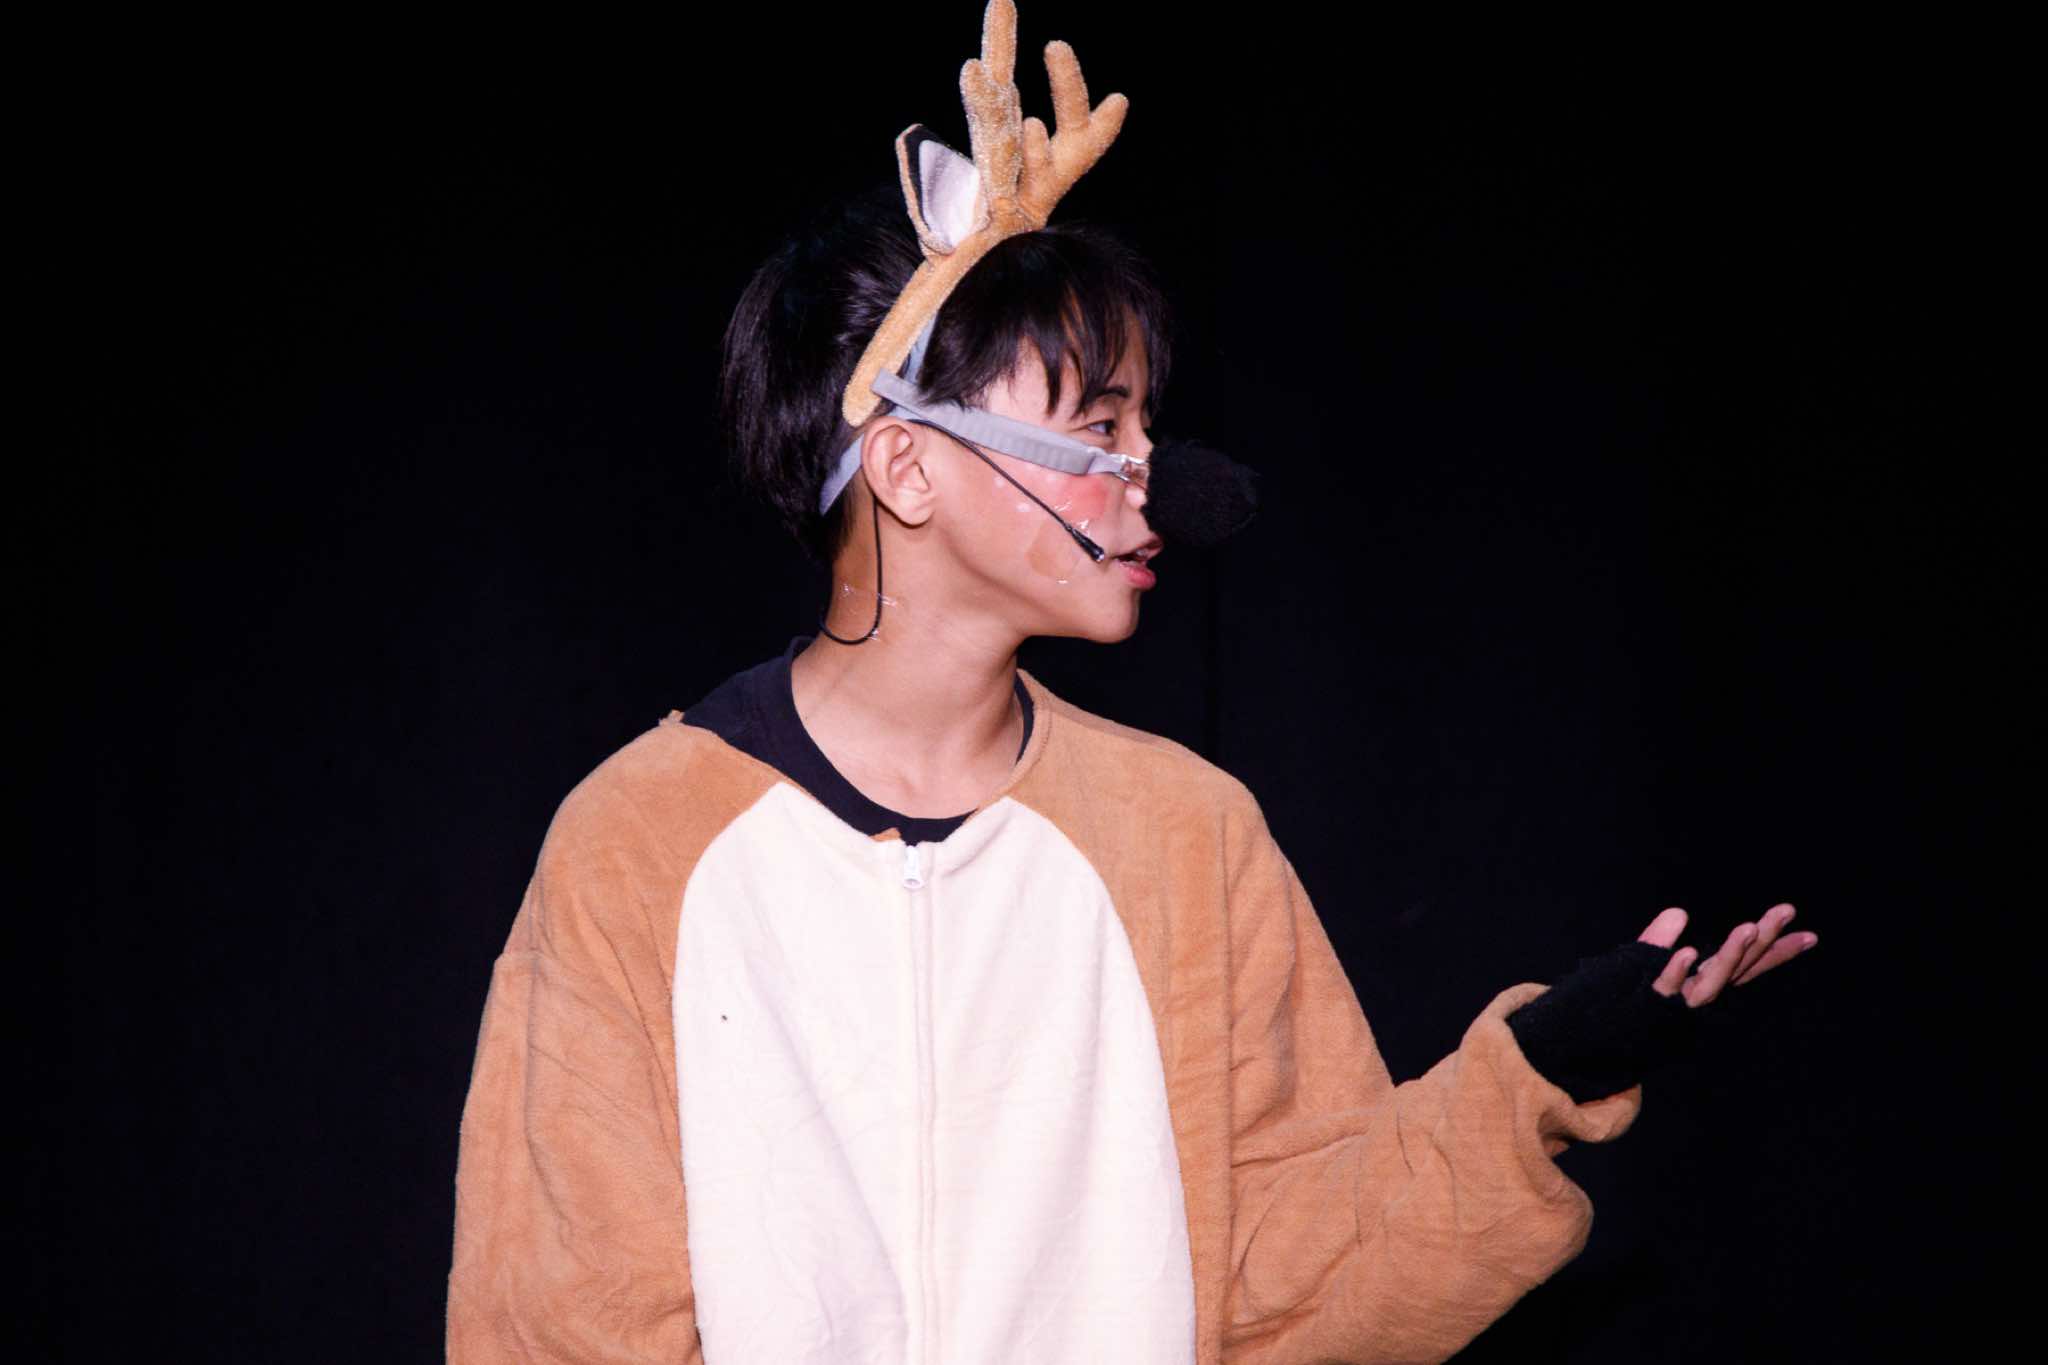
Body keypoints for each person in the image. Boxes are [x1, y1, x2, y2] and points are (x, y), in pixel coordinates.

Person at [445, 6, 1816, 1361]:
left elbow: (1292, 1274)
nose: (1150, 472)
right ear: (909, 466)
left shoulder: (1187, 835)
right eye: (1098, 422)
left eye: (1146, 421)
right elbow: (558, 1321)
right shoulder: (640, 842)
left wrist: (1544, 1073)